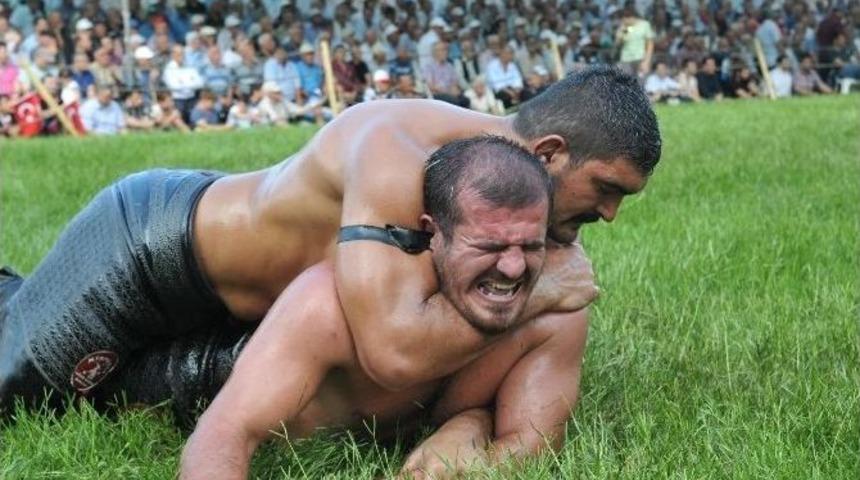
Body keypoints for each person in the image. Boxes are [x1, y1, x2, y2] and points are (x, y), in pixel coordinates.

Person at [0, 66, 661, 476]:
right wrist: (544, 287)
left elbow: (446, 363)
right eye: (606, 188)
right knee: (15, 394)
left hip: (241, 315)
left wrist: (475, 423)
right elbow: (396, 351)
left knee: (97, 393)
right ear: (549, 153)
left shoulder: (487, 206)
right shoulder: (399, 154)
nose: (608, 214)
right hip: (148, 252)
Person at [180, 136, 558, 479]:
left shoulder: (555, 311)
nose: (513, 268)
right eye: (488, 247)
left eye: (531, 246)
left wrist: (471, 427)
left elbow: (531, 445)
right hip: (198, 347)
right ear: (432, 234)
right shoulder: (326, 303)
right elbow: (224, 431)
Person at [615, 3, 654, 78]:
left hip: (640, 59)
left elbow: (650, 45)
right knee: (625, 85)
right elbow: (617, 44)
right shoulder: (624, 28)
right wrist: (622, 31)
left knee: (640, 85)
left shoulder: (644, 25)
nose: (623, 21)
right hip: (625, 60)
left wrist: (647, 61)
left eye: (624, 19)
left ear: (631, 17)